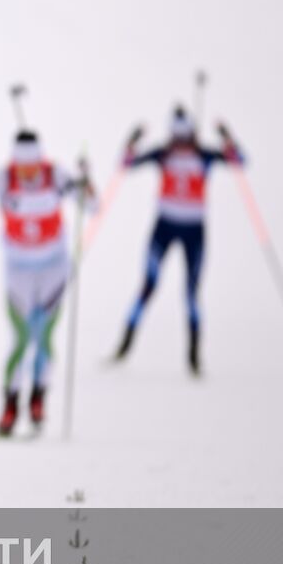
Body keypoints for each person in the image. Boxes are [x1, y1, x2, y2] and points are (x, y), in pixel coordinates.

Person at [0, 130, 95, 436]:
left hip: (53, 268)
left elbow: (92, 205)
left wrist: (86, 181)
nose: (27, 172)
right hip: (18, 268)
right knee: (20, 339)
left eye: (32, 165)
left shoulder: (55, 174)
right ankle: (9, 407)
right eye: (22, 166)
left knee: (44, 336)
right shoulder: (4, 177)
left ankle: (38, 400)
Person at [112, 105, 244, 375]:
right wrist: (132, 139)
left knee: (192, 293)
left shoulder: (204, 155)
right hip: (164, 227)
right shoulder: (163, 154)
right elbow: (125, 164)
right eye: (177, 138)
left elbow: (240, 161)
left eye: (185, 138)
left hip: (194, 230)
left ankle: (194, 357)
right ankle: (124, 345)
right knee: (148, 286)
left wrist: (227, 137)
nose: (181, 144)